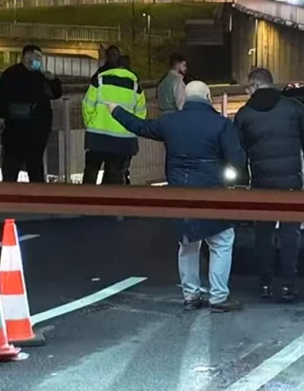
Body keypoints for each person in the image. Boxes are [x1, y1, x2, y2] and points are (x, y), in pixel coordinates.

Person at [105, 81, 246, 313]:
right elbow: (238, 161)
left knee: (188, 243)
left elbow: (140, 126)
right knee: (221, 241)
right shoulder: (220, 124)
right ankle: (219, 297)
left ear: (185, 100)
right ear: (208, 96)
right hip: (211, 192)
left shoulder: (170, 122)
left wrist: (116, 110)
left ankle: (191, 296)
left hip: (180, 192)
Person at [233, 68, 304, 302]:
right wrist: (300, 161)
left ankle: (265, 284)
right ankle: (289, 284)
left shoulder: (244, 114)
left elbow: (237, 152)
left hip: (260, 183)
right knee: (290, 233)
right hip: (292, 181)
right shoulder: (293, 108)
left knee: (263, 234)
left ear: (254, 85)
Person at [0, 44, 62, 183]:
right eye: (37, 56)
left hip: (37, 127)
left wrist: (52, 79)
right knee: (12, 162)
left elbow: (56, 94)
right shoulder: (11, 74)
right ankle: (9, 193)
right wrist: (1, 116)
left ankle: (37, 194)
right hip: (16, 126)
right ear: (27, 56)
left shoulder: (41, 76)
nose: (40, 60)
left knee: (35, 163)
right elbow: (2, 97)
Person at [82, 54, 146, 185]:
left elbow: (87, 104)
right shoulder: (136, 88)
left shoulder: (100, 81)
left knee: (91, 172)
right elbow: (140, 115)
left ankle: (85, 203)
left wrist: (91, 123)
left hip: (97, 137)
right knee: (114, 177)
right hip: (122, 141)